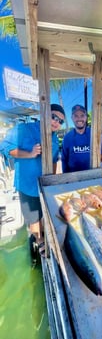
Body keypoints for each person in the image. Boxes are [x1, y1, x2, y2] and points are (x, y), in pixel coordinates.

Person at [0, 103, 65, 260]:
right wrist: (29, 153)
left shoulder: (55, 138)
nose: (56, 122)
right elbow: (5, 148)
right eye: (54, 117)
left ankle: (40, 235)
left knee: (42, 214)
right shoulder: (24, 129)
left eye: (61, 121)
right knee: (33, 217)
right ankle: (39, 240)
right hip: (28, 184)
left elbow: (55, 159)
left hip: (45, 185)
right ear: (44, 114)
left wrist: (54, 179)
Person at [61, 104, 91, 172]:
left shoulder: (94, 134)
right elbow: (64, 160)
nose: (79, 118)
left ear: (86, 117)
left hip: (92, 175)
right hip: (73, 177)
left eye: (82, 115)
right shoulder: (67, 138)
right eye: (76, 116)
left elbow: (101, 155)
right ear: (72, 118)